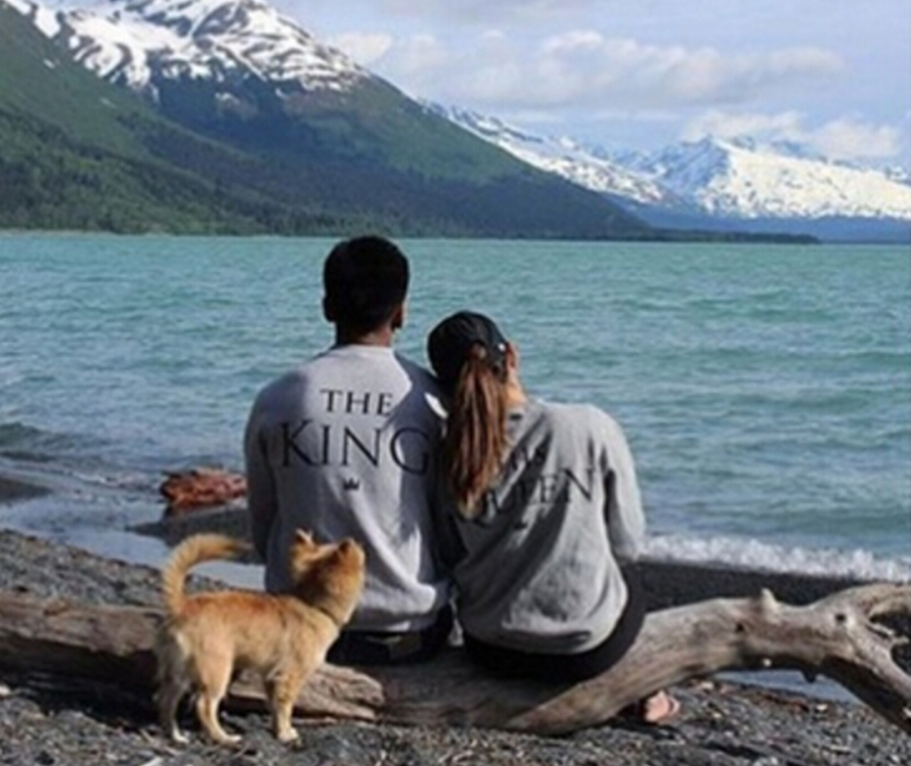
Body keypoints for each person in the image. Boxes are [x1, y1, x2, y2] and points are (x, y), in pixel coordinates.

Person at [426, 310, 678, 723]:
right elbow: (628, 543)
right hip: (583, 651)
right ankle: (648, 688)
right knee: (627, 580)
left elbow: (448, 554)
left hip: (490, 650)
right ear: (511, 356)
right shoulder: (588, 425)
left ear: (443, 386)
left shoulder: (447, 455)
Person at [244, 235, 452, 665]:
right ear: (401, 312)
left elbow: (264, 529)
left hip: (296, 627)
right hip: (408, 633)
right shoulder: (433, 399)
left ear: (327, 307)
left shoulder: (278, 397)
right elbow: (450, 530)